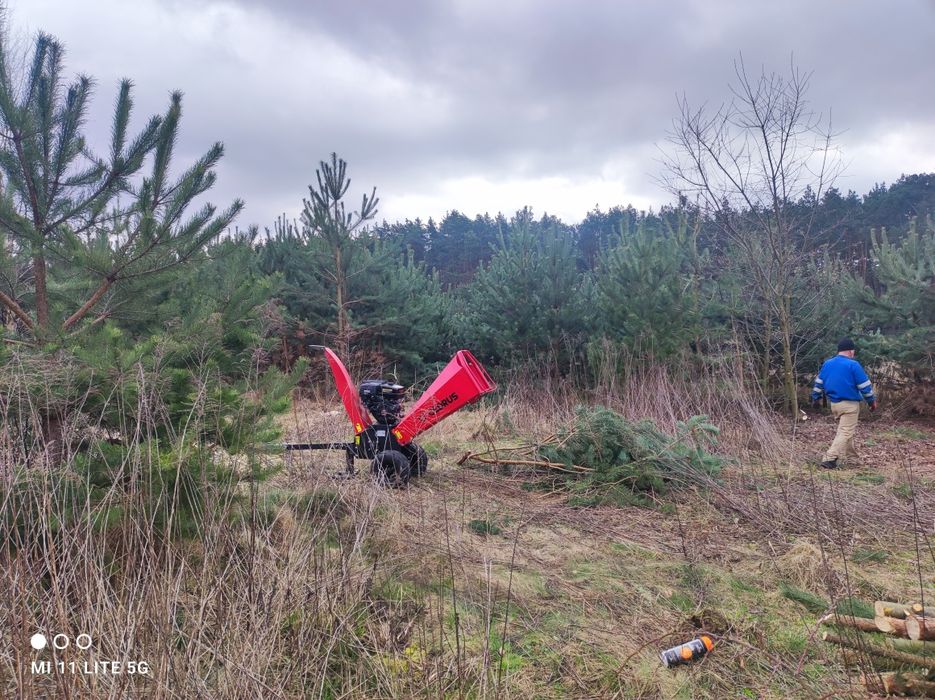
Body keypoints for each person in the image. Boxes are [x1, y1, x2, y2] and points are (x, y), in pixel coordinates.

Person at [810, 337, 877, 469]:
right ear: (851, 352)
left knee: (845, 431)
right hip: (850, 405)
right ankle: (829, 459)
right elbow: (865, 386)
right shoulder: (853, 365)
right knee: (846, 432)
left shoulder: (827, 364)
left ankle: (853, 460)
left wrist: (815, 398)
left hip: (834, 404)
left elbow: (818, 383)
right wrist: (871, 401)